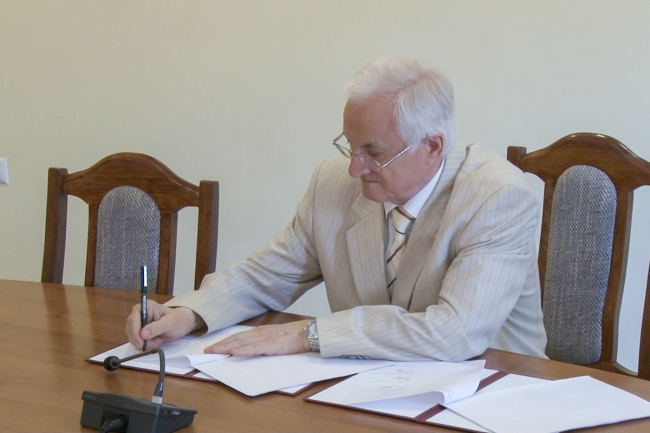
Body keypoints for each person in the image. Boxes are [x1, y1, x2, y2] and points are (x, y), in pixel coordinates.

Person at [126, 55, 547, 361]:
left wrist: (307, 335)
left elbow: (455, 333)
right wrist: (187, 313)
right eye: (350, 145)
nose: (354, 168)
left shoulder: (498, 197)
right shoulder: (333, 184)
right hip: (369, 392)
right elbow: (265, 276)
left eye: (373, 152)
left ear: (432, 146)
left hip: (493, 392)